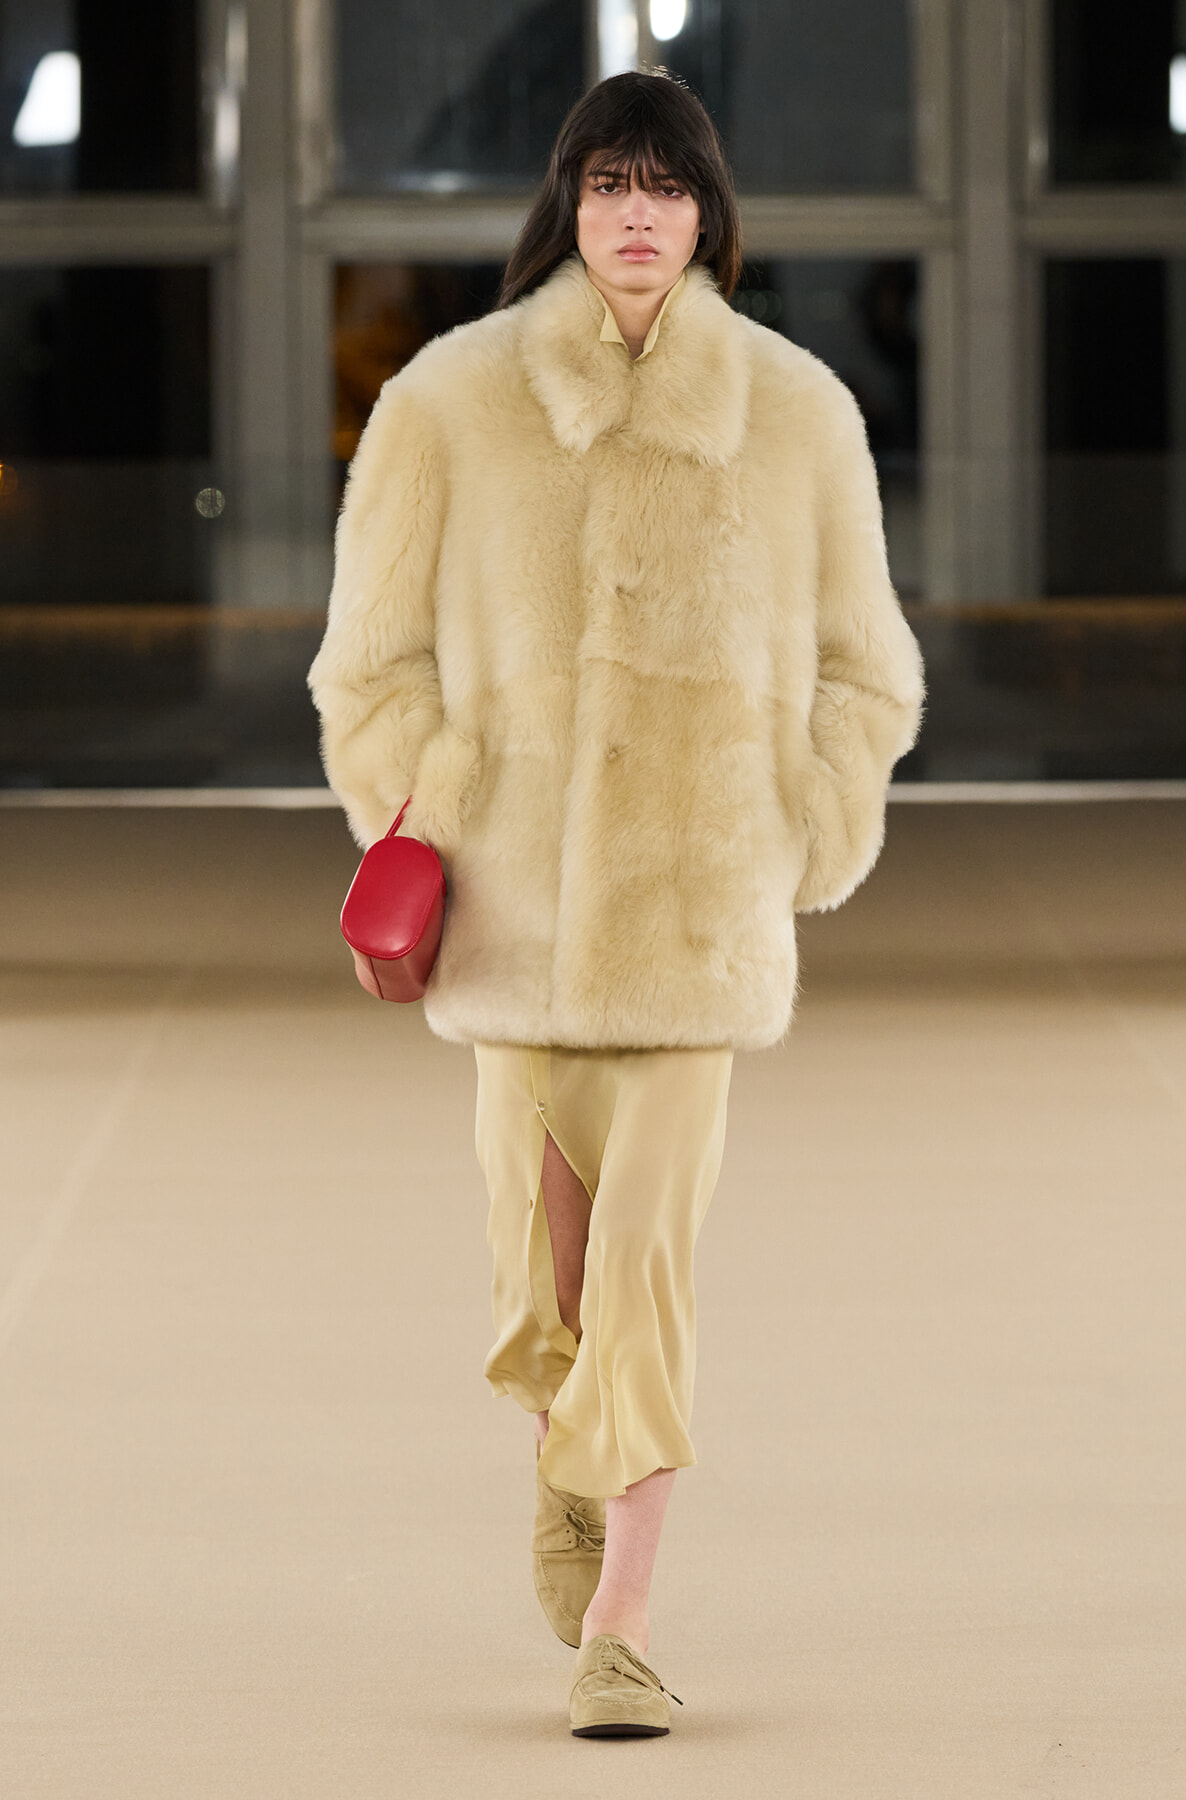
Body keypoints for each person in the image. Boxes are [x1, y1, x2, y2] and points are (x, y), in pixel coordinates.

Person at [307, 68, 925, 1740]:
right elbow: (364, 666)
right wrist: (431, 798)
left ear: (709, 214)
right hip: (509, 929)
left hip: (695, 931)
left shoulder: (797, 414)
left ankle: (629, 1626)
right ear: (568, 209)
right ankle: (568, 1467)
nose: (637, 217)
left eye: (666, 188)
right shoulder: (451, 404)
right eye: (606, 187)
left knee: (648, 1267)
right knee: (546, 1288)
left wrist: (793, 831)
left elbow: (868, 671)